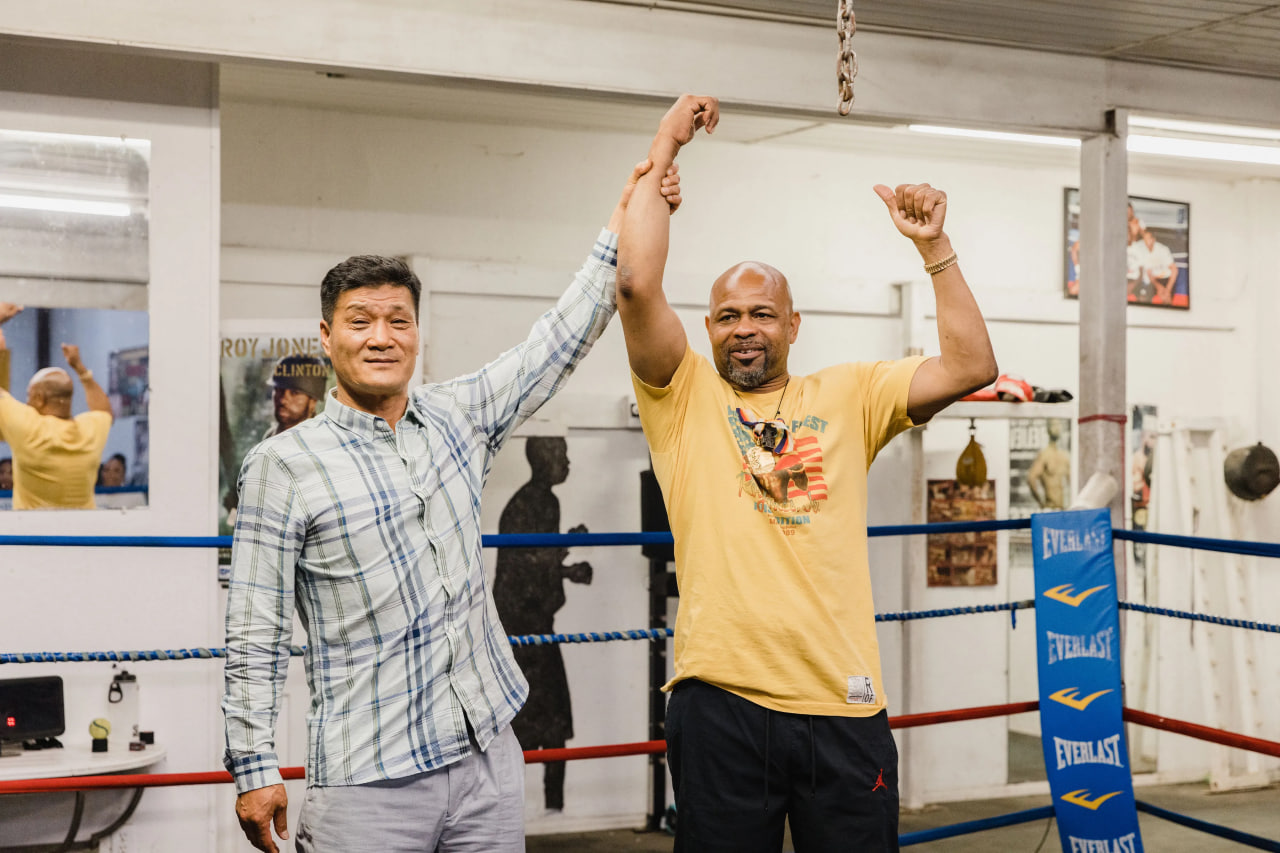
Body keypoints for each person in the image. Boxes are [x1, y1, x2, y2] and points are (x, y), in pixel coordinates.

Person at [222, 158, 682, 853]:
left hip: (485, 760)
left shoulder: (456, 417)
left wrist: (628, 208)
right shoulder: (282, 466)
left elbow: (556, 340)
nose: (381, 337)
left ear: (418, 332)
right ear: (326, 337)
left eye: (398, 320)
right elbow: (255, 628)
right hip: (368, 781)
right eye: (360, 321)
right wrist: (254, 766)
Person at [617, 95, 997, 852]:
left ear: (793, 325)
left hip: (842, 703)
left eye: (762, 314)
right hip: (721, 700)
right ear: (708, 327)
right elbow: (634, 285)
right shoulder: (682, 397)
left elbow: (971, 365)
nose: (745, 329)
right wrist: (666, 145)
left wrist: (935, 248)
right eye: (729, 316)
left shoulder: (852, 393)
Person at [492, 436, 593, 812]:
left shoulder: (540, 500)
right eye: (562, 456)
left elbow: (534, 560)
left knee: (551, 718)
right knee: (533, 719)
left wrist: (565, 567)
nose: (567, 463)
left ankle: (551, 806)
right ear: (543, 459)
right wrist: (565, 551)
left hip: (531, 623)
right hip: (522, 627)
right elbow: (524, 563)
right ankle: (522, 806)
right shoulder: (536, 501)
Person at [0, 302, 115, 510]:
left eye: (29, 396)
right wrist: (80, 369)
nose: (27, 403)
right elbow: (104, 411)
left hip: (32, 530)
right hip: (82, 530)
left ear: (40, 398)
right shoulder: (89, 432)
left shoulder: (29, 428)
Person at [264, 353, 327, 437]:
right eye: (279, 390)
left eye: (294, 393)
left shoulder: (320, 439)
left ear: (313, 401)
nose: (282, 400)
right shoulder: (270, 436)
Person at [1026, 419, 1071, 510]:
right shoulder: (1044, 455)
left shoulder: (1065, 456)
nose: (1057, 428)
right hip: (1050, 508)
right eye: (1054, 425)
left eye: (1058, 425)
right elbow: (1031, 478)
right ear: (1048, 429)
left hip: (1065, 509)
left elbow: (1071, 482)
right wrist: (1041, 502)